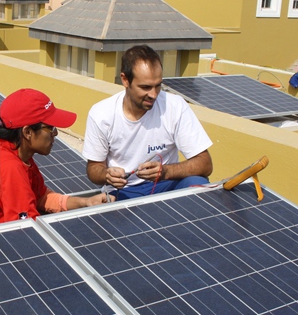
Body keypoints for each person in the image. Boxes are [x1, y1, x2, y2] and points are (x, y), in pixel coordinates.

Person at [0, 88, 110, 233]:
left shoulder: (13, 151)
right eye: (50, 128)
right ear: (28, 132)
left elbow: (40, 197)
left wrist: (86, 202)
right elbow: (27, 231)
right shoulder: (9, 168)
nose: (55, 134)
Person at [83, 45, 213, 200]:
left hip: (167, 183)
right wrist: (106, 174)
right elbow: (93, 168)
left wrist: (165, 171)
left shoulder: (175, 106)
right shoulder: (101, 114)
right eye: (145, 87)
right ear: (125, 80)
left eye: (158, 85)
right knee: (112, 210)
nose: (153, 94)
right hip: (124, 191)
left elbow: (205, 164)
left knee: (198, 185)